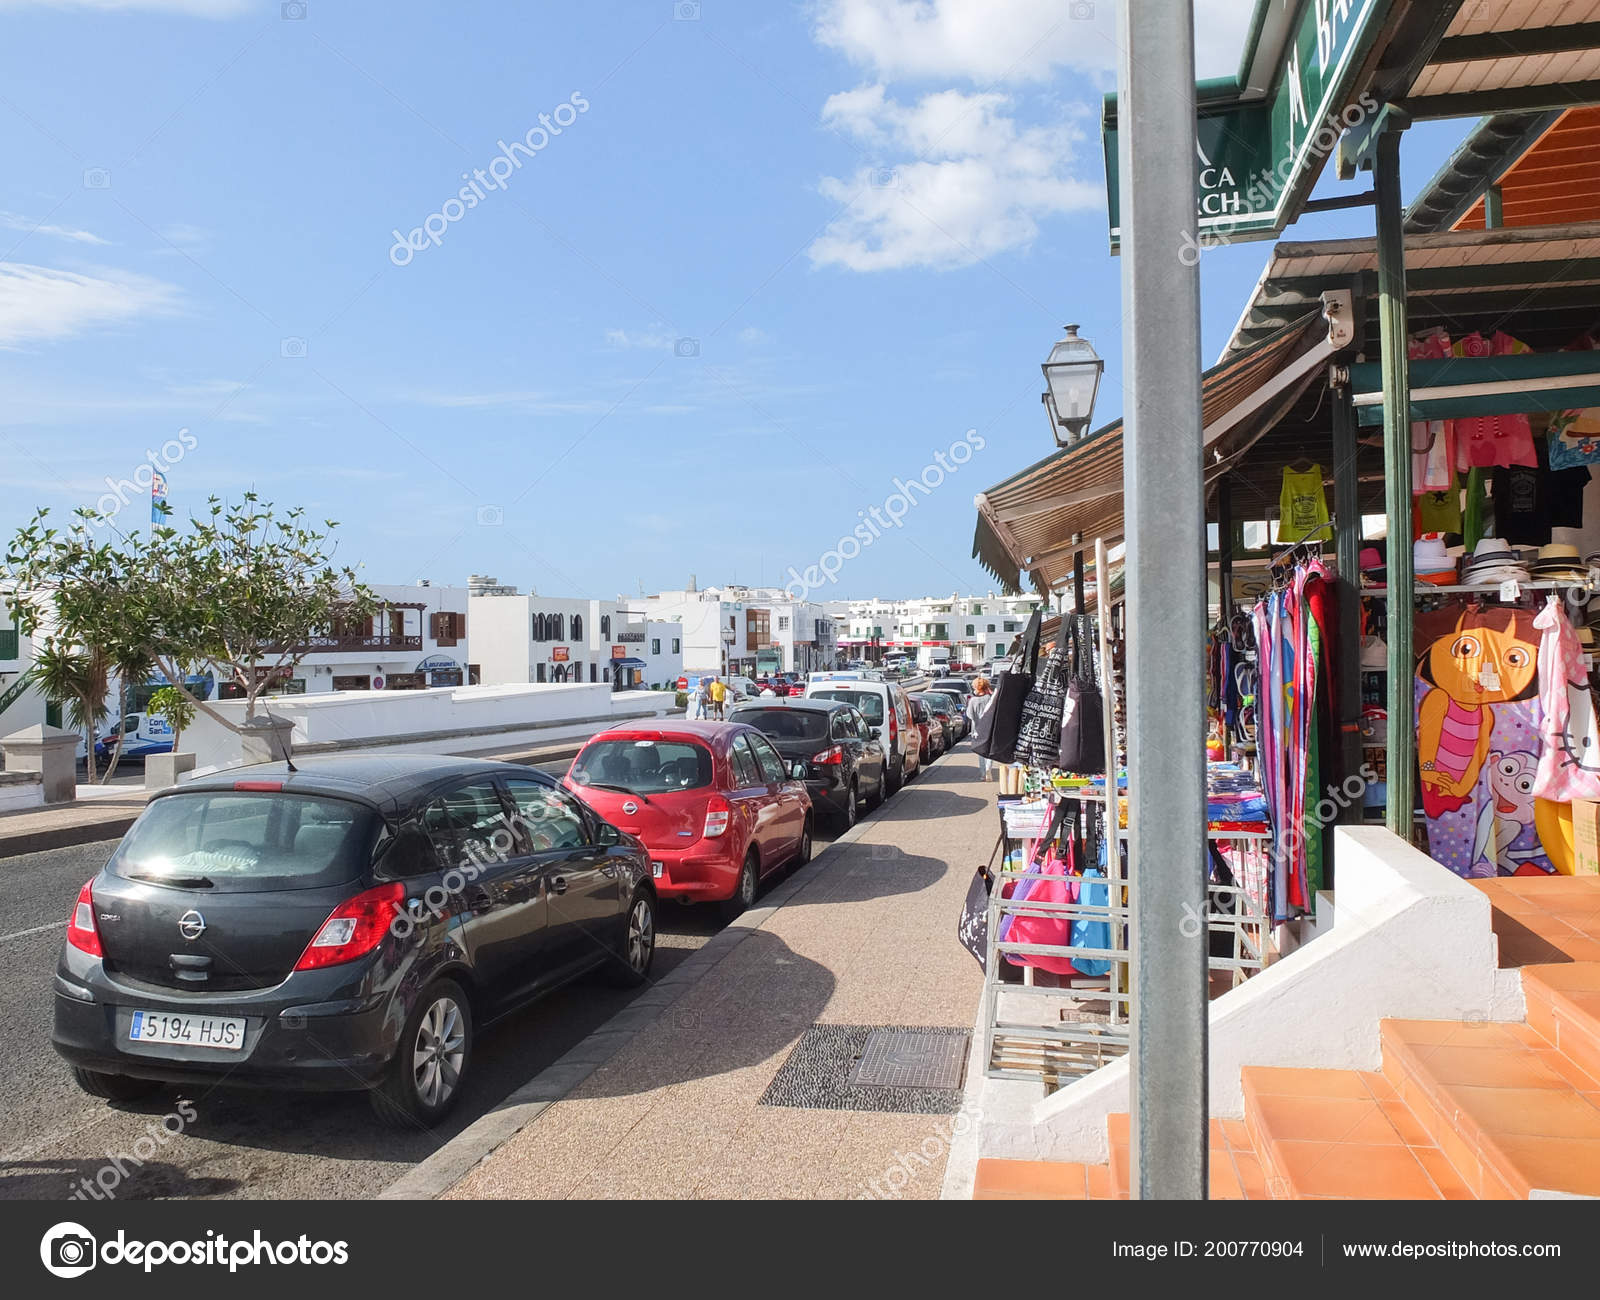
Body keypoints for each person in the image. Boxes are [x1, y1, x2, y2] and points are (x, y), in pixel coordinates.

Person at [967, 676, 995, 780]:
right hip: (989, 728)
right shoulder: (990, 698)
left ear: (978, 689)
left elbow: (969, 715)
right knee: (989, 751)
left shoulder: (973, 700)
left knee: (981, 752)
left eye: (974, 687)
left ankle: (983, 774)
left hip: (978, 730)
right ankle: (989, 769)